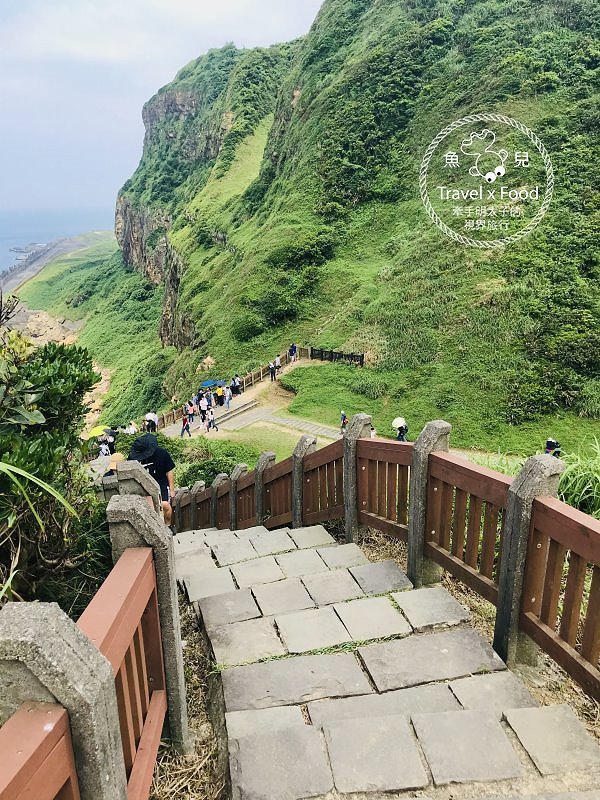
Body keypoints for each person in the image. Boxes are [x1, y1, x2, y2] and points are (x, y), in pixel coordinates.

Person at [128, 433, 176, 526]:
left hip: (161, 483)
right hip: (143, 486)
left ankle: (168, 526)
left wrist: (172, 489)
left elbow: (169, 471)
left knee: (165, 505)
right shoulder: (133, 458)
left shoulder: (162, 453)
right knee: (148, 509)